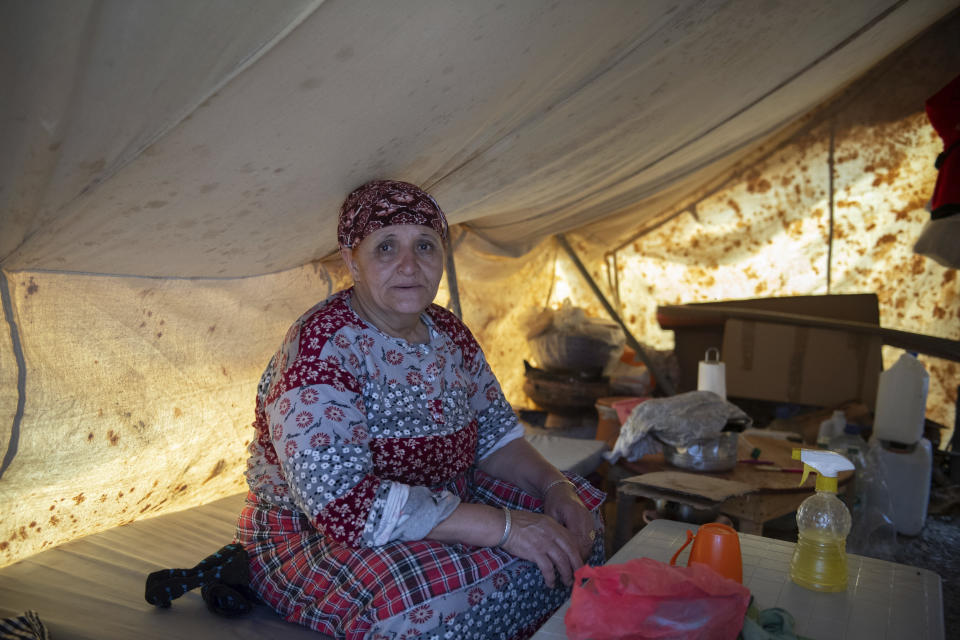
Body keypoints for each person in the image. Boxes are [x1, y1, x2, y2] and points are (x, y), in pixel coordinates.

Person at [235, 180, 605, 640]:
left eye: (424, 246)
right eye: (386, 247)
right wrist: (506, 529)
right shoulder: (321, 349)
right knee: (431, 607)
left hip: (446, 501)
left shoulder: (448, 332)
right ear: (352, 260)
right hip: (321, 532)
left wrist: (556, 488)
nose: (409, 265)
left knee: (579, 523)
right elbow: (344, 505)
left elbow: (496, 441)